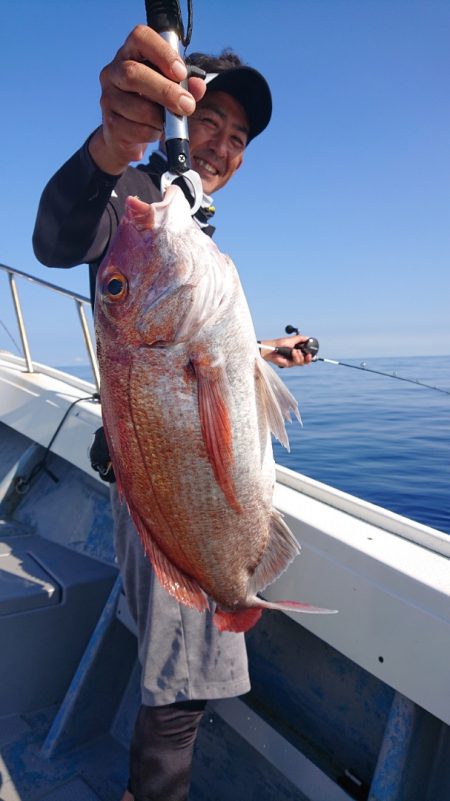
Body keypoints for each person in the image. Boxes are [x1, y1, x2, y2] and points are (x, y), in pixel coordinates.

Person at [33, 25, 313, 801]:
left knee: (175, 671)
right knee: (180, 694)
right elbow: (59, 237)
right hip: (175, 485)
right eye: (210, 123)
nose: (222, 144)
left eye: (237, 135)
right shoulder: (140, 198)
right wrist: (105, 150)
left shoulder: (183, 218)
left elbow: (186, 344)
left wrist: (256, 354)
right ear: (180, 119)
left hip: (167, 471)